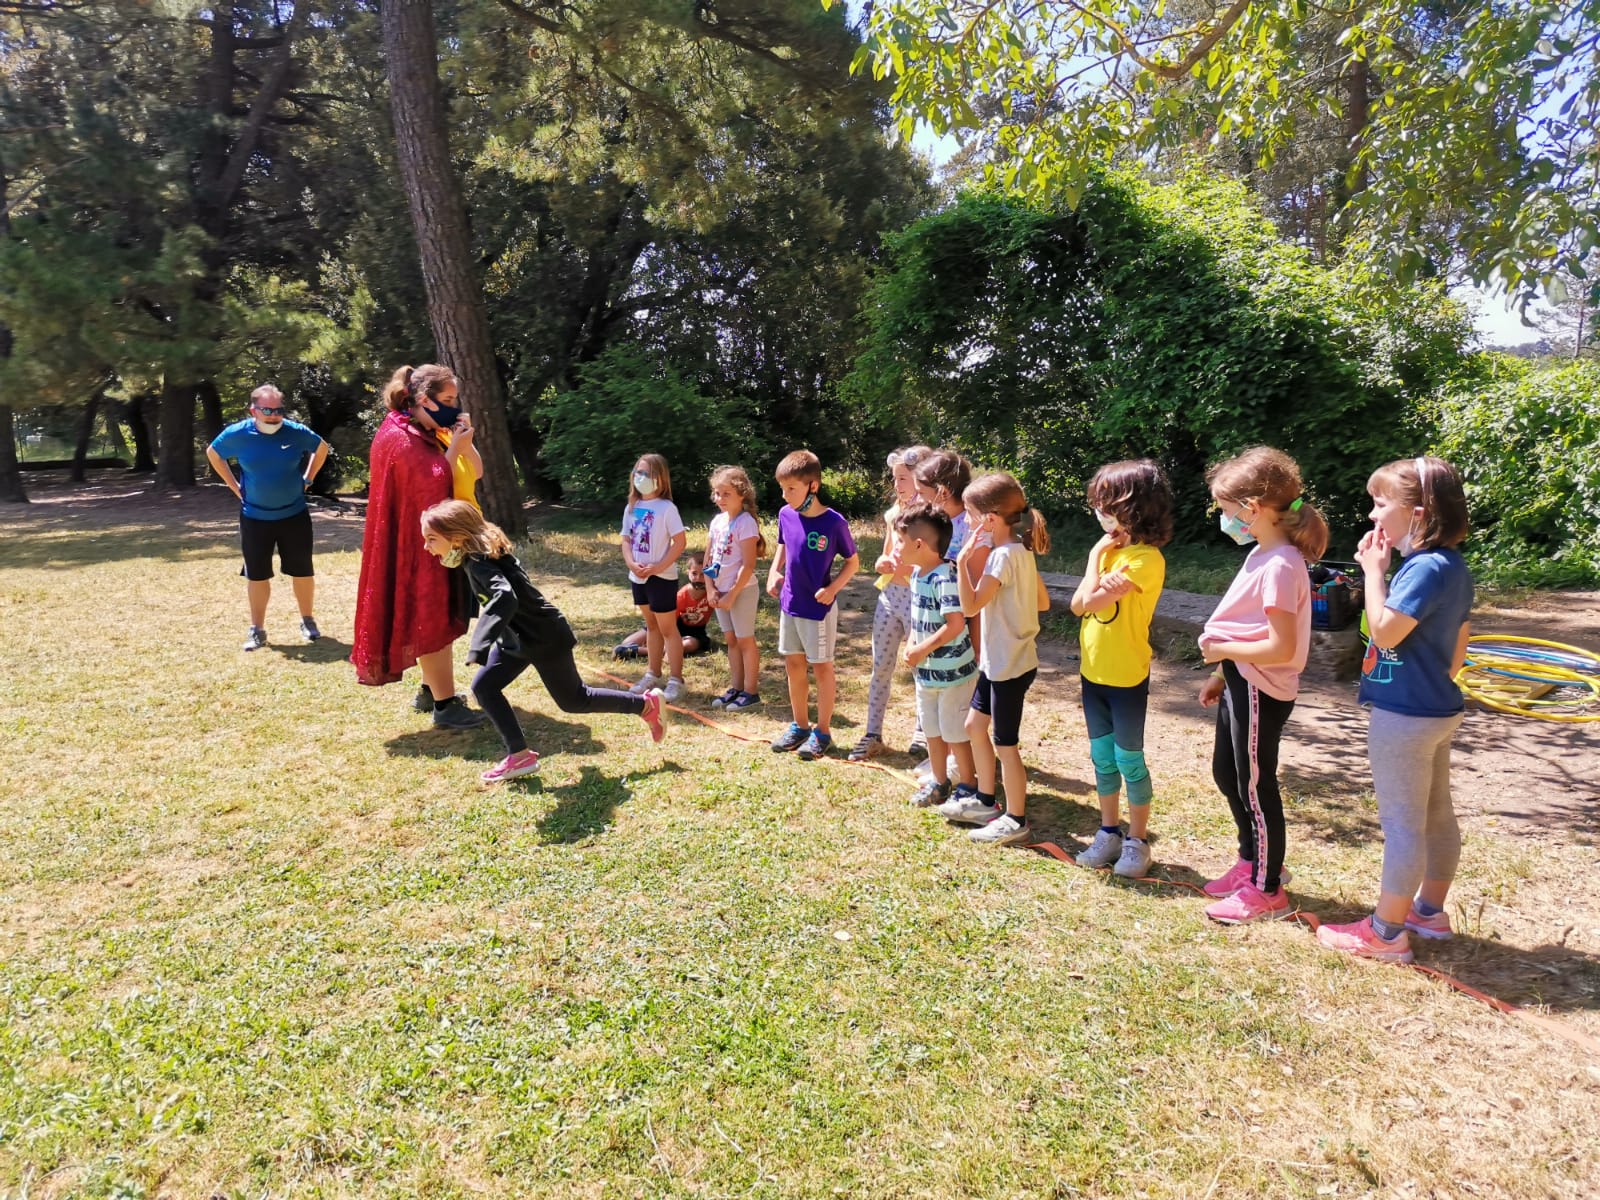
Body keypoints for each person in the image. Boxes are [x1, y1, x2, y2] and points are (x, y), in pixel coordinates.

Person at [1317, 456, 1474, 963]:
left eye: (1381, 504)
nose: (1372, 515)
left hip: (1404, 717)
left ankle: (1385, 933)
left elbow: (1384, 631)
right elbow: (1460, 645)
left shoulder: (1422, 568)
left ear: (1418, 513)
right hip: (1437, 709)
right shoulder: (1453, 566)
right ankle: (1428, 912)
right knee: (1436, 814)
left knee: (1403, 825)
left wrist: (1373, 573)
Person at [421, 500, 665, 783]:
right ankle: (519, 755)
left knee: (575, 700)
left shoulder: (479, 563)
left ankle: (646, 705)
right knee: (485, 687)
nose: (427, 547)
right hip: (517, 640)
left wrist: (480, 643)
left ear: (457, 536)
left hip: (544, 637)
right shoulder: (476, 557)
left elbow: (504, 598)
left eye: (432, 539)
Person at [1196, 446, 1328, 923]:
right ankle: (1251, 860)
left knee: (1254, 785)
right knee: (1227, 773)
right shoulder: (1262, 554)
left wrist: (1223, 650)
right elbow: (1247, 622)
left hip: (1260, 686)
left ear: (1252, 508)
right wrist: (1220, 673)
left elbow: (1280, 646)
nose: (1225, 519)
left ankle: (1268, 889)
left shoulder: (1281, 565)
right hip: (1239, 679)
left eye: (1227, 509)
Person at [350, 363, 486, 731]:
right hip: (422, 547)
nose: (454, 407)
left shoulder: (426, 430)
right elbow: (433, 489)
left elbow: (469, 473)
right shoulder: (402, 438)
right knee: (432, 618)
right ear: (424, 399)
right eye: (448, 400)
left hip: (440, 541)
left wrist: (462, 442)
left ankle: (431, 690)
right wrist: (455, 447)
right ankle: (445, 705)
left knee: (440, 617)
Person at [1070, 460, 1174, 878]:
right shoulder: (1109, 554)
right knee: (1102, 757)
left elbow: (1086, 603)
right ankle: (1108, 831)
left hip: (1127, 677)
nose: (1099, 512)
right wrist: (1097, 556)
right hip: (1092, 674)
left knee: (1129, 759)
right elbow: (1079, 604)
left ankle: (1137, 840)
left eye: (1106, 503)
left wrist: (1096, 566)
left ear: (1134, 507)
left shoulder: (1145, 560)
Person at [937, 472, 1052, 845]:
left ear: (988, 520)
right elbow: (1042, 602)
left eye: (971, 516)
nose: (968, 524)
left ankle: (1016, 819)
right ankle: (985, 801)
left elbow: (970, 606)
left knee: (1006, 745)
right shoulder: (1019, 550)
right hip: (1000, 661)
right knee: (974, 725)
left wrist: (963, 561)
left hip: (1008, 666)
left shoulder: (1001, 557)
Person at [205, 384, 329, 650]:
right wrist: (234, 487)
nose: (274, 416)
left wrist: (308, 478)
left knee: (302, 571)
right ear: (253, 410)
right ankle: (257, 630)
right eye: (267, 410)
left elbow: (321, 448)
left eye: (278, 410)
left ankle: (307, 621)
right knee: (257, 575)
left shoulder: (295, 432)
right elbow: (213, 454)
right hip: (254, 517)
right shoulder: (238, 434)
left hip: (294, 515)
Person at [767, 449, 860, 761]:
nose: (785, 495)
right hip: (789, 604)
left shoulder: (834, 523)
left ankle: (822, 731)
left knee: (821, 667)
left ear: (813, 486)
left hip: (818, 610)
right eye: (782, 488)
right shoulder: (785, 514)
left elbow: (853, 562)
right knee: (793, 664)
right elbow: (782, 545)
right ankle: (800, 726)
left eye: (791, 488)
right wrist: (774, 572)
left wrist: (832, 589)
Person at [851, 445, 932, 761]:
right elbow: (885, 554)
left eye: (903, 478)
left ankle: (923, 732)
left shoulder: (930, 515)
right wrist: (883, 563)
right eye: (894, 478)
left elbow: (931, 562)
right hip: (889, 598)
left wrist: (908, 567)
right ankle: (873, 733)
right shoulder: (895, 512)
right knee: (880, 667)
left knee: (921, 667)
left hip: (917, 599)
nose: (897, 484)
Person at [896, 504, 980, 808]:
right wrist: (912, 644)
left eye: (901, 541)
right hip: (927, 674)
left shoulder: (945, 577)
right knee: (932, 730)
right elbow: (919, 618)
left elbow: (955, 624)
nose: (896, 547)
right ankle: (940, 782)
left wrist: (920, 649)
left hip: (953, 675)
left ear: (919, 544)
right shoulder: (917, 575)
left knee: (954, 733)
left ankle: (968, 785)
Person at [621, 454, 689, 703]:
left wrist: (658, 566)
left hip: (662, 578)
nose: (641, 478)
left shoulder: (667, 508)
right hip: (638, 577)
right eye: (637, 472)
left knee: (668, 628)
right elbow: (626, 540)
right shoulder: (631, 507)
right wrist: (632, 563)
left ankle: (676, 680)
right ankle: (653, 673)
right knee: (651, 626)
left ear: (660, 478)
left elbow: (680, 542)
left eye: (647, 473)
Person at [704, 466, 767, 710]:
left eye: (726, 494)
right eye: (717, 493)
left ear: (742, 494)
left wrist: (732, 594)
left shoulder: (746, 523)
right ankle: (736, 687)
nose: (720, 499)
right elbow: (708, 560)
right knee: (731, 640)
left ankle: (751, 692)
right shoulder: (717, 522)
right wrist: (710, 589)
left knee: (744, 640)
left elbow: (748, 565)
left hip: (742, 591)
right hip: (720, 592)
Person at [613, 552, 718, 661]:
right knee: (627, 642)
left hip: (695, 631)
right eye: (694, 573)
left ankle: (640, 651)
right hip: (672, 625)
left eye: (703, 575)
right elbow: (669, 623)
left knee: (690, 644)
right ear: (688, 572)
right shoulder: (681, 596)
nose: (698, 578)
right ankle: (663, 649)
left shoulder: (713, 592)